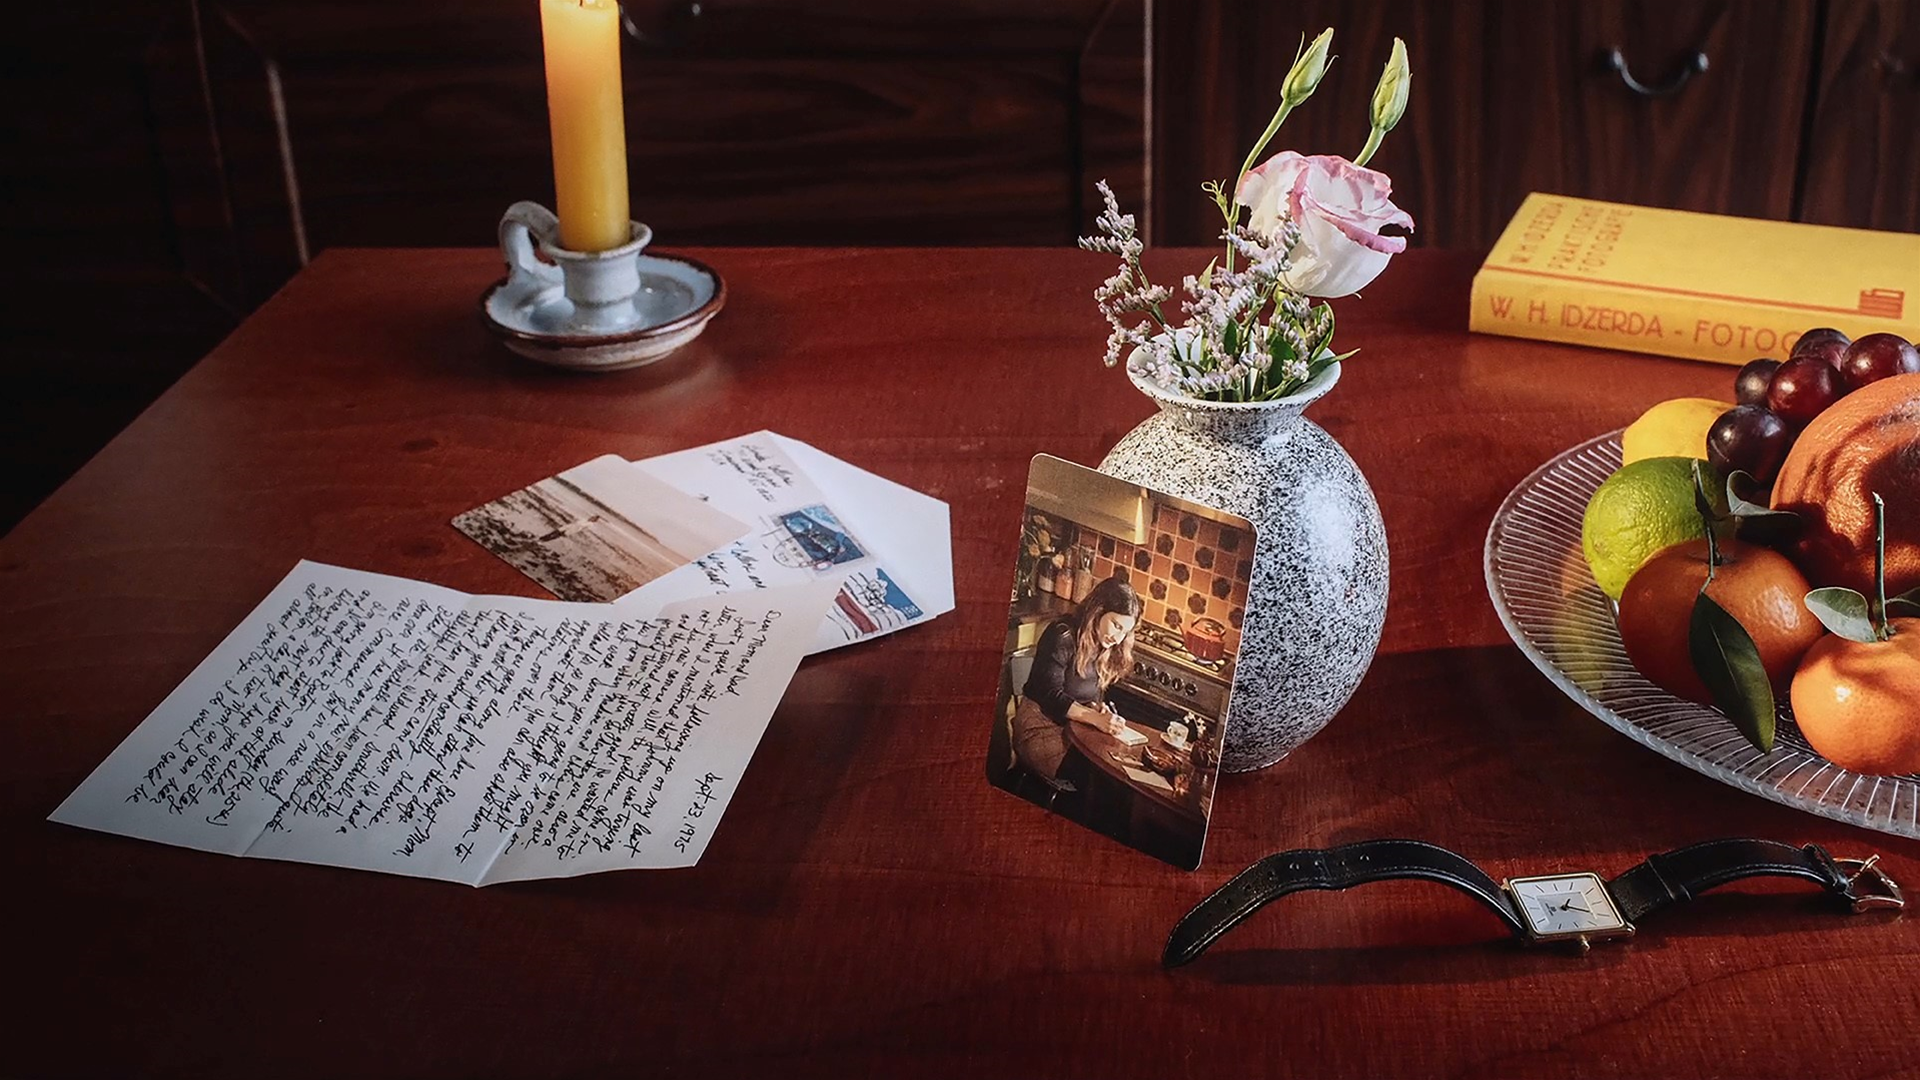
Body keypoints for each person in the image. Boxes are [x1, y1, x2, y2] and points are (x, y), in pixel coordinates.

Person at [1014, 575, 1141, 782]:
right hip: (1039, 728)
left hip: (1074, 731)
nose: (1118, 638)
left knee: (1116, 775)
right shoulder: (1061, 635)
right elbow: (1050, 696)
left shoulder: (1104, 645)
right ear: (1098, 611)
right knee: (1097, 778)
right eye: (1116, 625)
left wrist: (1099, 710)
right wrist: (1094, 719)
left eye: (1125, 632)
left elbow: (1088, 694)